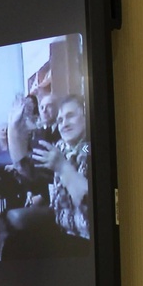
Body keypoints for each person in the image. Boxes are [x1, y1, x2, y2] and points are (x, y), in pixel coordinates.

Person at [32, 94, 92, 246]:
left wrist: (62, 167)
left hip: (87, 239)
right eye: (60, 120)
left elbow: (89, 203)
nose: (64, 124)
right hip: (61, 230)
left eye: (70, 116)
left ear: (86, 116)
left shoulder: (92, 148)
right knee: (14, 244)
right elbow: (33, 174)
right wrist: (15, 132)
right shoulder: (60, 147)